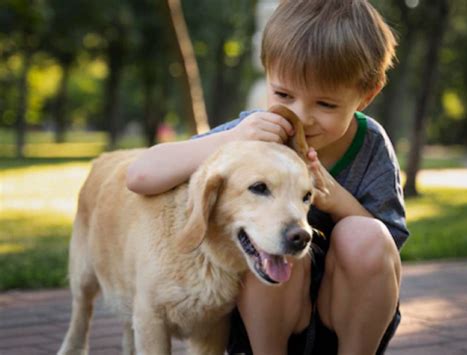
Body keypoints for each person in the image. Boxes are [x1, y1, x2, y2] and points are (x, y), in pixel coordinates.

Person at [126, 0, 409, 354]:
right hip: (265, 316)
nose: (301, 116)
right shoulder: (253, 136)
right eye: (284, 94)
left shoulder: (371, 145)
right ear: (268, 76)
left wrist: (338, 201)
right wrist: (232, 138)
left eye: (326, 104)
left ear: (366, 96)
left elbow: (386, 249)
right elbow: (139, 175)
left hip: (345, 313)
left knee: (363, 233)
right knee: (266, 240)